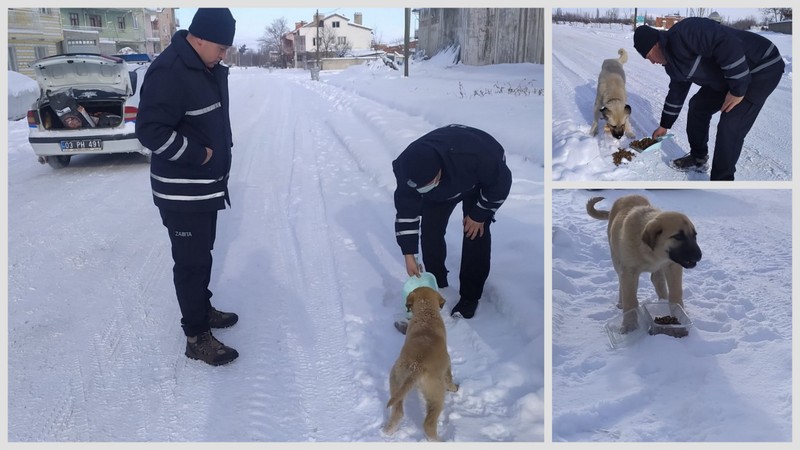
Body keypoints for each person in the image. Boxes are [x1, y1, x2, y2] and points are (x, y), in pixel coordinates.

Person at [135, 8, 239, 366]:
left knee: (203, 255)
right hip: (182, 191)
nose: (223, 54)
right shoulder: (170, 71)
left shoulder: (203, 66)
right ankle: (196, 336)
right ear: (199, 38)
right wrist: (200, 154)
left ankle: (202, 307)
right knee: (191, 263)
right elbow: (150, 131)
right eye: (221, 47)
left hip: (204, 187)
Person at [633, 18, 784, 181]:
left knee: (730, 125)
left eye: (648, 57)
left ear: (655, 45)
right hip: (730, 77)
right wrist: (665, 125)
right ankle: (698, 158)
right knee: (697, 106)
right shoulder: (672, 65)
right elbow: (676, 94)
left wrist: (738, 90)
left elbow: (726, 43)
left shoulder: (686, 32)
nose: (653, 62)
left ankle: (722, 181)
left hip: (761, 66)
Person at [392, 124, 512, 319]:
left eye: (428, 185)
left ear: (438, 173)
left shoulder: (478, 157)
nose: (423, 190)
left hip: (476, 179)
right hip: (444, 186)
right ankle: (436, 279)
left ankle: (470, 297)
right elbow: (406, 212)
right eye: (421, 188)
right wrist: (409, 254)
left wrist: (479, 214)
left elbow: (500, 185)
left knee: (475, 231)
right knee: (431, 230)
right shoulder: (408, 170)